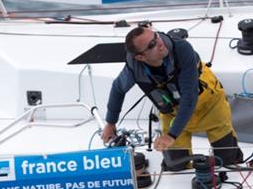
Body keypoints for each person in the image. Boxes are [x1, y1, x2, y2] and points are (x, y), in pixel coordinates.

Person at [101, 26, 243, 169]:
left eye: (156, 36)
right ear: (140, 57)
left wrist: (171, 135)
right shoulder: (134, 68)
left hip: (209, 106)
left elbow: (189, 98)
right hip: (174, 113)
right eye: (152, 45)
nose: (159, 43)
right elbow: (118, 89)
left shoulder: (182, 49)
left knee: (229, 159)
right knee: (175, 165)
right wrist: (110, 123)